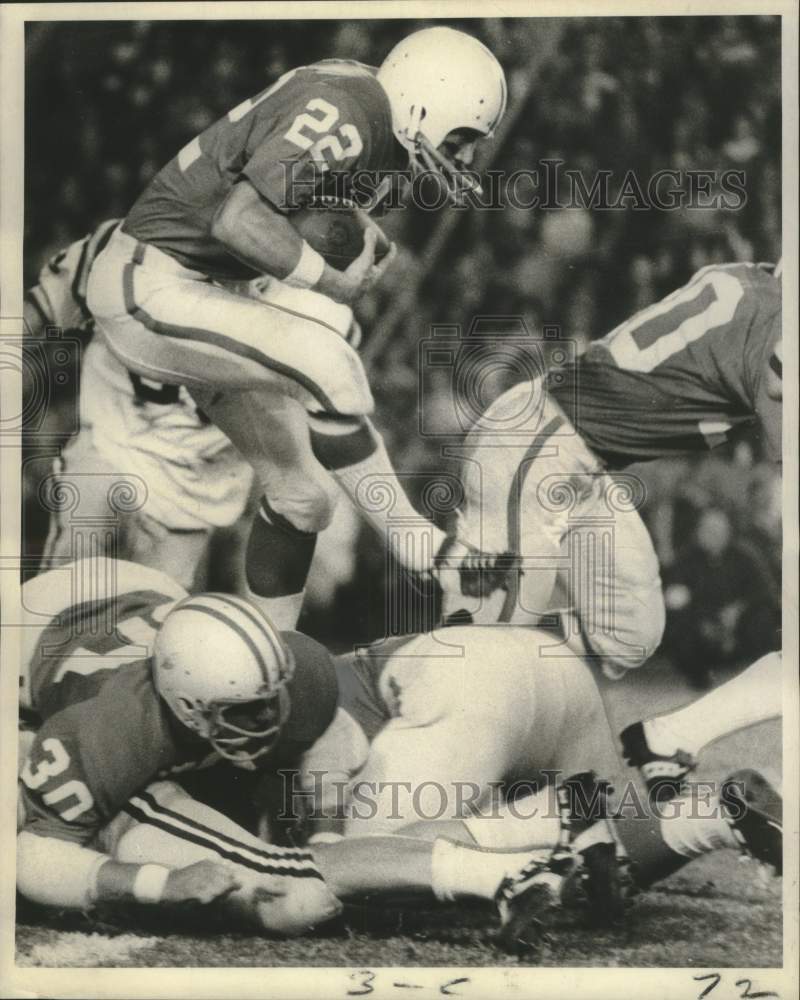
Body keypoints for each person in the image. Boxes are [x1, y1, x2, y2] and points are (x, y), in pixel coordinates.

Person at [83, 27, 511, 629]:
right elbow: (240, 219)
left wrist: (350, 227)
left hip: (199, 289)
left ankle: (271, 654)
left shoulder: (372, 121)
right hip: (150, 281)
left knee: (306, 499)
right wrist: (330, 280)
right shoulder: (350, 112)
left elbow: (293, 198)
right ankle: (428, 552)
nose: (464, 157)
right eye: (462, 137)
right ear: (424, 100)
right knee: (326, 359)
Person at [17, 558, 620, 954]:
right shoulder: (112, 729)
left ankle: (540, 831)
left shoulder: (279, 672)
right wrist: (159, 884)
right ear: (190, 707)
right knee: (288, 897)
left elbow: (327, 740)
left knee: (310, 864)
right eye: (246, 712)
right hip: (19, 649)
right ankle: (539, 831)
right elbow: (32, 853)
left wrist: (328, 835)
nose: (272, 720)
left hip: (133, 590)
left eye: (271, 700)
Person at [441, 261, 782, 679]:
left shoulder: (747, 277)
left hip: (581, 464)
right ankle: (387, 677)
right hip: (539, 440)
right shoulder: (775, 324)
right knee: (480, 654)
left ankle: (485, 649)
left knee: (630, 631)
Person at [24, 220, 354, 592]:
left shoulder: (309, 307)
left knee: (157, 632)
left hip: (191, 492)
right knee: (59, 597)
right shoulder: (130, 243)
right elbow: (37, 312)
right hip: (110, 454)